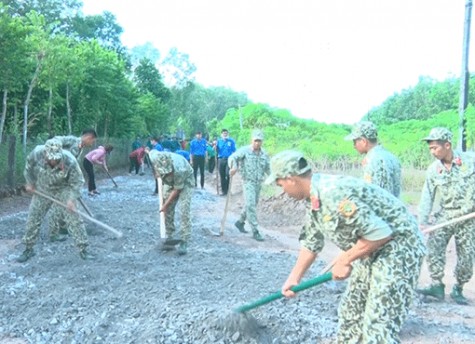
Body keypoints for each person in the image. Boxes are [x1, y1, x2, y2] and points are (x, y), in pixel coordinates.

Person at [265, 150, 425, 343]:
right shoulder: (313, 197)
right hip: (370, 249)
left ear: (291, 179)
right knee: (351, 313)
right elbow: (311, 242)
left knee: (378, 322)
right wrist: (294, 278)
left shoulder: (332, 194)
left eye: (281, 184)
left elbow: (381, 233)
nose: (282, 191)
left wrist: (345, 259)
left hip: (398, 247)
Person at [417, 127, 475, 305]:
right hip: (446, 215)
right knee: (434, 247)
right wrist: (423, 221)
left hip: (468, 216)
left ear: (447, 145)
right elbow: (427, 195)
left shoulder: (470, 161)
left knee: (466, 254)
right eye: (430, 148)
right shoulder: (434, 169)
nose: (432, 152)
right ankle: (437, 285)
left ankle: (458, 288)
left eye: (435, 148)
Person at [17, 139, 93, 262]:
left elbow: (78, 181)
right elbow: (28, 167)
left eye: (56, 158)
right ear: (45, 153)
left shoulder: (69, 160)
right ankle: (28, 249)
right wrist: (30, 182)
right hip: (43, 187)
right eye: (50, 158)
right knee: (33, 217)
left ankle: (83, 249)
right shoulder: (36, 153)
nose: (53, 161)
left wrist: (71, 199)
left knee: (74, 218)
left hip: (63, 188)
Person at [148, 150, 194, 255]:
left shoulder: (179, 169)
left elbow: (176, 190)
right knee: (168, 210)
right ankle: (169, 238)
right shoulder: (155, 156)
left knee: (184, 210)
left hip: (185, 181)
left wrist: (165, 205)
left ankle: (184, 241)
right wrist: (155, 172)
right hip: (169, 182)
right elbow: (150, 153)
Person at [229, 130, 270, 241]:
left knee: (251, 204)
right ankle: (255, 231)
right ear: (252, 140)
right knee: (251, 205)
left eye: (259, 141)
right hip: (248, 182)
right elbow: (232, 157)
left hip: (258, 183)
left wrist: (274, 179)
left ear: (262, 142)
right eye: (255, 140)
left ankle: (240, 222)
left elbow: (268, 168)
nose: (257, 143)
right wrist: (233, 167)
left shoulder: (264, 153)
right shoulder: (245, 151)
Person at [344, 121, 401, 197]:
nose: (354, 146)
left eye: (355, 142)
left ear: (363, 141)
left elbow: (372, 195)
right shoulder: (391, 157)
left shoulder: (372, 160)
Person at [216, 129, 236, 195]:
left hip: (229, 159)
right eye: (224, 133)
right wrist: (214, 147)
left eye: (226, 133)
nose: (225, 134)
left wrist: (235, 159)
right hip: (221, 159)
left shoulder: (231, 141)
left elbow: (234, 150)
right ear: (221, 134)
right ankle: (223, 191)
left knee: (228, 174)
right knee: (222, 175)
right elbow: (216, 150)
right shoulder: (218, 141)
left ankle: (228, 190)